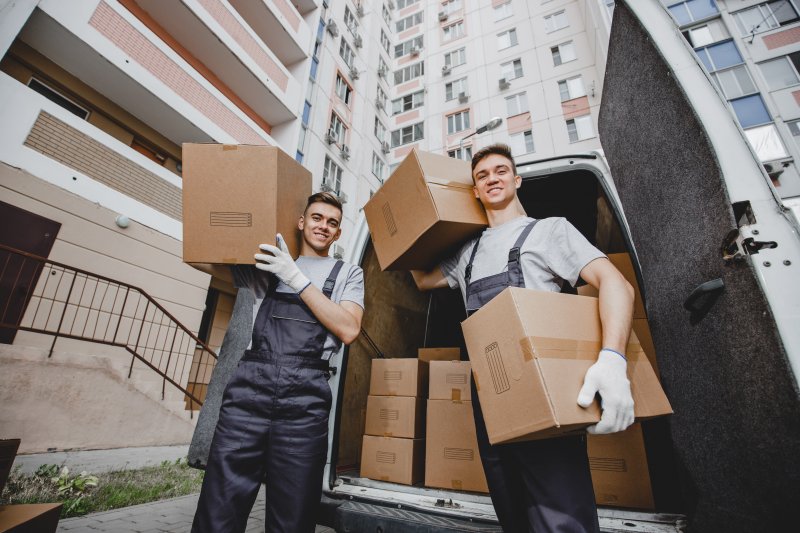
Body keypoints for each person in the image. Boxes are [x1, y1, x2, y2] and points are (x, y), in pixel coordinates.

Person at [411, 144, 635, 533]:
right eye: (482, 176)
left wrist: (613, 357)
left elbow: (615, 283)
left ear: (516, 180)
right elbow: (421, 278)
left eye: (501, 171)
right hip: (489, 392)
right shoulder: (467, 252)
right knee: (512, 512)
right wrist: (412, 221)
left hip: (543, 390)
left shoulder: (550, 230)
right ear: (476, 192)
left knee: (561, 518)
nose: (492, 178)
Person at [192, 192, 364, 533]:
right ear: (301, 222)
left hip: (304, 405)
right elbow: (197, 258)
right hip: (247, 399)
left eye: (332, 222)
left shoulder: (348, 273)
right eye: (317, 218)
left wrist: (297, 277)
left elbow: (348, 328)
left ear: (338, 233)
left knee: (294, 515)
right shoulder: (270, 265)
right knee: (219, 507)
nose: (323, 226)